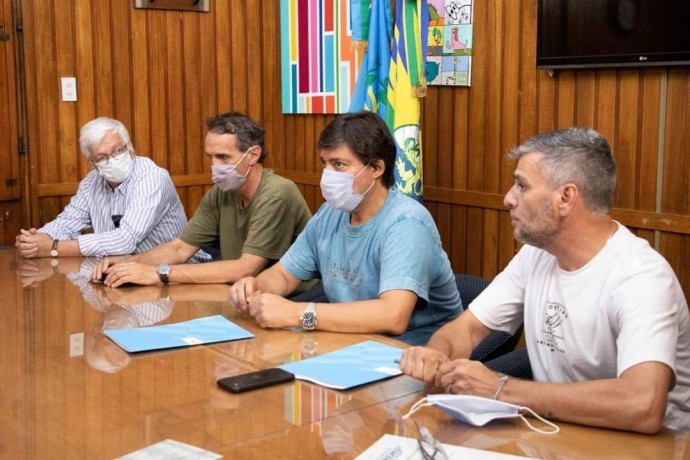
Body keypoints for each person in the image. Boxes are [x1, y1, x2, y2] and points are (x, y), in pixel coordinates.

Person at [400, 128, 690, 433]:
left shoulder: (641, 277)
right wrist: (437, 352)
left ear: (565, 197)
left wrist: (501, 389)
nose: (508, 198)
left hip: (644, 447)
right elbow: (469, 328)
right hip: (559, 431)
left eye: (521, 186)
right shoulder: (536, 255)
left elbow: (642, 406)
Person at [228, 111, 462, 345]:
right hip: (351, 345)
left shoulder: (407, 223)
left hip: (414, 357)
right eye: (325, 163)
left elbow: (393, 316)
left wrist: (297, 313)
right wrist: (254, 287)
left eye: (339, 164)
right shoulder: (330, 213)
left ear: (377, 168)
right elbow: (283, 275)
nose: (327, 174)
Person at [92, 111, 312, 286]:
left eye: (224, 157)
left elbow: (246, 268)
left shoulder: (277, 193)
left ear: (253, 155)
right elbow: (180, 248)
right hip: (238, 291)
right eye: (211, 157)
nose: (215, 166)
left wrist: (159, 273)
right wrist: (127, 263)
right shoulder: (221, 192)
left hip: (289, 296)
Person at [15, 117, 189, 259]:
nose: (112, 160)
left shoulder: (152, 177)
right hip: (120, 272)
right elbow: (67, 222)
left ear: (130, 147)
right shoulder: (91, 182)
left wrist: (54, 247)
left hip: (171, 273)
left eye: (117, 151)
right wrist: (34, 240)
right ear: (92, 163)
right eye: (101, 157)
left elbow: (125, 240)